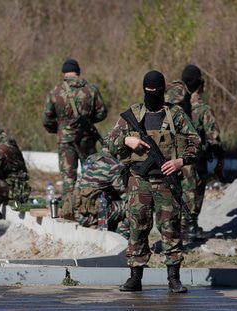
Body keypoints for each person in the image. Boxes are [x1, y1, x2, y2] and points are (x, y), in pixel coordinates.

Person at [108, 70, 200, 293]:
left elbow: (195, 142)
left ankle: (174, 278)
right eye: (148, 91)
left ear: (163, 90)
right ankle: (135, 277)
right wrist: (127, 140)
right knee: (137, 228)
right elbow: (109, 142)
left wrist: (180, 161)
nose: (152, 95)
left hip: (166, 183)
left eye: (156, 91)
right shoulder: (132, 115)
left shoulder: (175, 115)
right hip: (139, 182)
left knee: (170, 230)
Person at [42, 59, 107, 217]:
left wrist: (59, 129)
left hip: (65, 140)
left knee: (68, 177)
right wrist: (88, 121)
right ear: (78, 71)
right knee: (90, 174)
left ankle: (69, 211)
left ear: (64, 72)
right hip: (86, 138)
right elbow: (102, 113)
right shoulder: (91, 89)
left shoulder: (56, 91)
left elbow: (47, 119)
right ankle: (89, 210)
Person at [165, 64, 224, 240]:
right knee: (194, 190)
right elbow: (213, 137)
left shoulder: (176, 101)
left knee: (178, 189)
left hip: (173, 155)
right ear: (200, 85)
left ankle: (177, 226)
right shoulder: (202, 108)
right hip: (194, 157)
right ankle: (190, 225)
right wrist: (218, 155)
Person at [73, 146, 128, 234]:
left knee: (109, 199)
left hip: (79, 213)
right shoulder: (113, 164)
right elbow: (126, 195)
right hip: (94, 215)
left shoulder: (91, 158)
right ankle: (122, 238)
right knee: (133, 208)